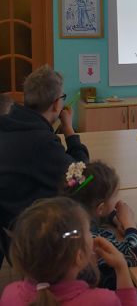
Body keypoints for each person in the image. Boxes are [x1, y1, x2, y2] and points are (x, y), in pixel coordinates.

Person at [0, 196, 137, 306]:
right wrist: (121, 268)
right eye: (88, 231)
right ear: (79, 256)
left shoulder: (10, 294)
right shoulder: (103, 300)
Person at [0, 65, 89, 232]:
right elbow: (79, 177)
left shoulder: (8, 122)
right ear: (56, 105)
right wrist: (69, 130)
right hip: (28, 232)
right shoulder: (41, 142)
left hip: (7, 219)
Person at [63, 161, 137, 291]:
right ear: (100, 208)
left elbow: (98, 214)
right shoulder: (93, 241)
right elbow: (135, 255)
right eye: (115, 195)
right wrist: (129, 224)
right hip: (108, 292)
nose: (118, 199)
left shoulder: (70, 214)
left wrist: (115, 219)